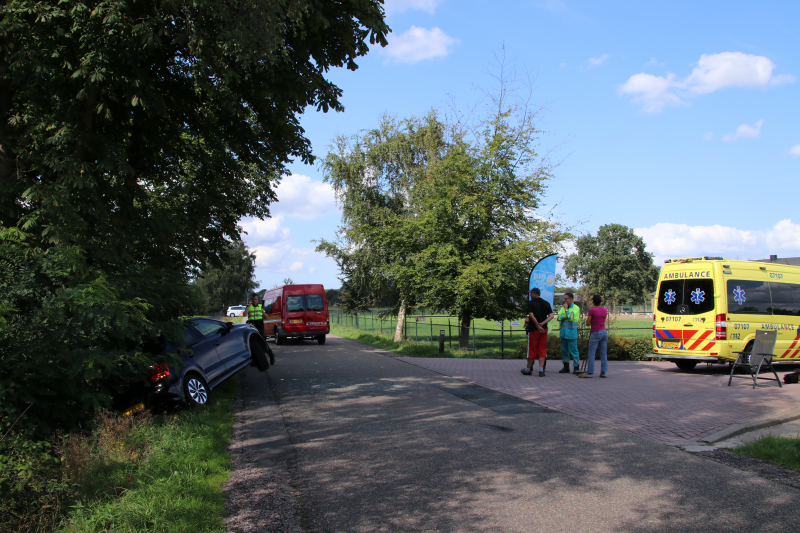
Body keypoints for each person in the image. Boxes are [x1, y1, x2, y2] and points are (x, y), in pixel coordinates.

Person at [522, 287, 555, 377]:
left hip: (534, 329)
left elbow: (531, 316)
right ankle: (541, 369)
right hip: (544, 329)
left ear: (535, 293)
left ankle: (528, 369)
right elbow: (551, 316)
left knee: (532, 349)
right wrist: (543, 323)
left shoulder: (531, 303)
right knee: (542, 349)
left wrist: (537, 325)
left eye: (531, 293)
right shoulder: (546, 303)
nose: (530, 295)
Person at [579, 294, 608, 378]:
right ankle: (603, 372)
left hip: (595, 332)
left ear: (593, 301)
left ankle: (590, 372)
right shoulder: (605, 310)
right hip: (604, 331)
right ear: (600, 301)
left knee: (591, 353)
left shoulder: (592, 311)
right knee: (603, 354)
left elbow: (588, 323)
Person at [245, 293, 275, 365]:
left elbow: (266, 317)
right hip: (252, 325)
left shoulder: (261, 306)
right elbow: (244, 314)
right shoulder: (249, 306)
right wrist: (249, 305)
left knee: (262, 342)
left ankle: (270, 354)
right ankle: (255, 359)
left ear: (258, 299)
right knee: (252, 342)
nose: (254, 301)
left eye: (255, 299)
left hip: (260, 325)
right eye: (253, 299)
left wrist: (261, 310)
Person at [557, 292, 581, 374]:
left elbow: (571, 317)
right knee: (564, 350)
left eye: (566, 299)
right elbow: (558, 316)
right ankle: (566, 366)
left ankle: (576, 367)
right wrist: (564, 317)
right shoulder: (562, 308)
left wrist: (566, 311)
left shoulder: (576, 308)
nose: (564, 300)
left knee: (574, 350)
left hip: (571, 333)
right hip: (564, 333)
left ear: (571, 299)